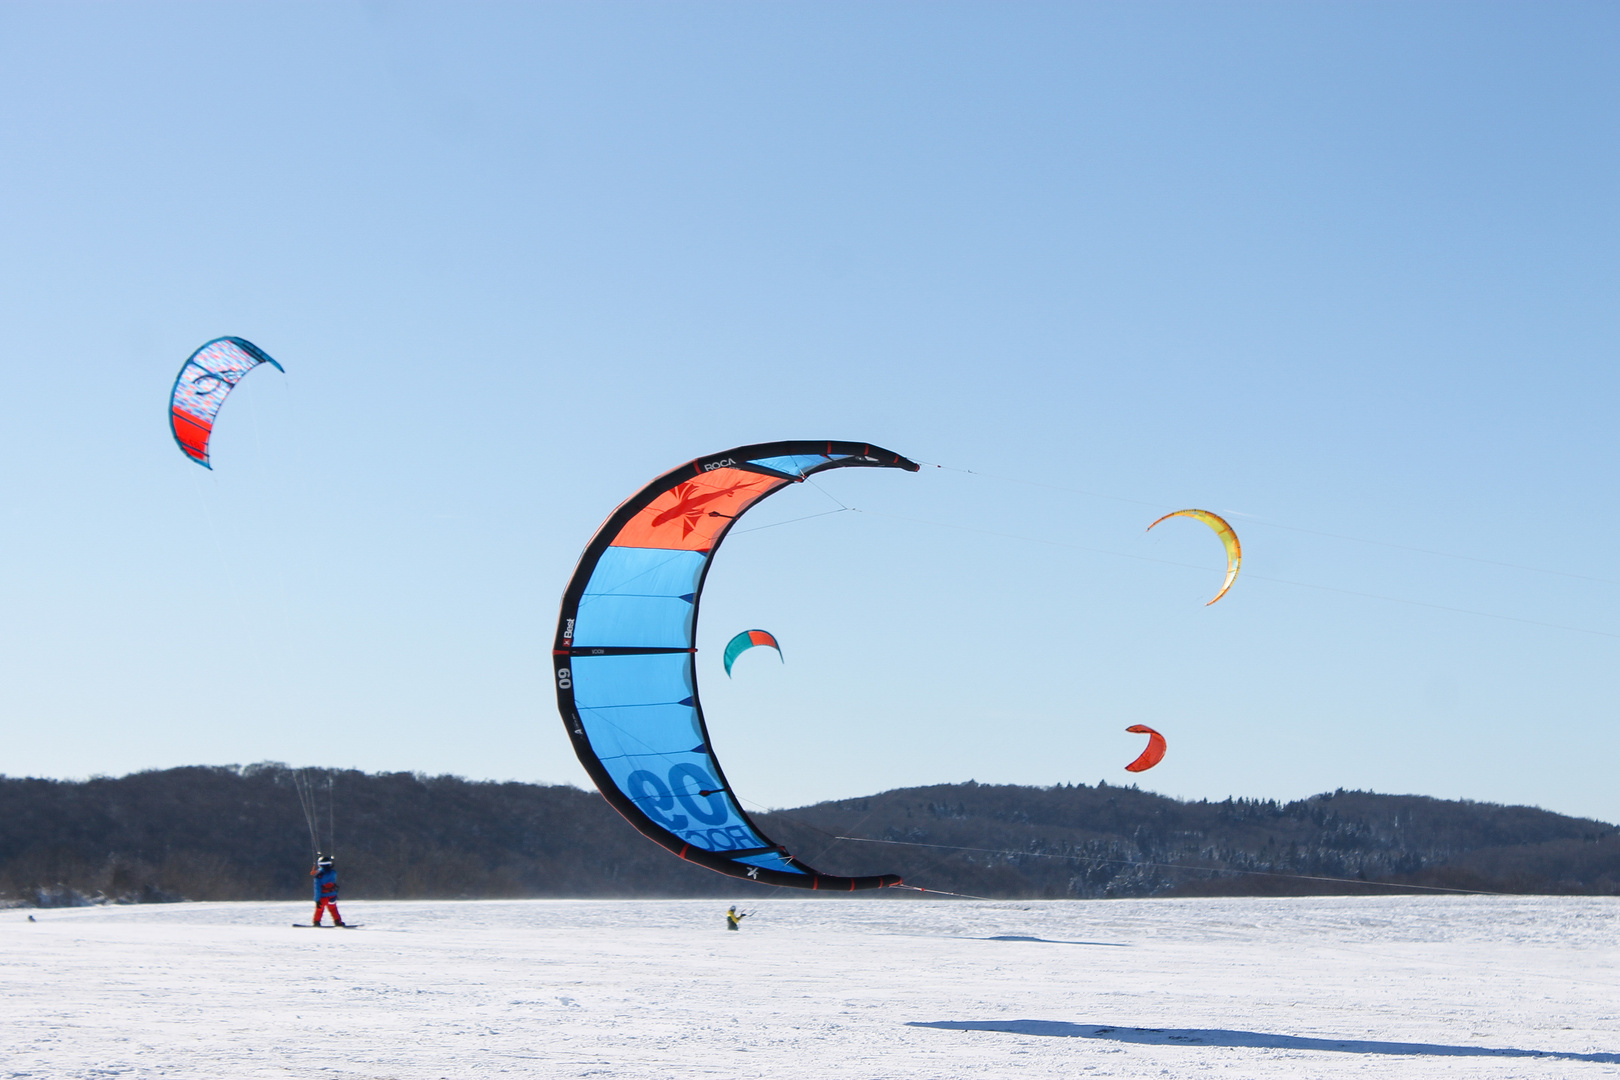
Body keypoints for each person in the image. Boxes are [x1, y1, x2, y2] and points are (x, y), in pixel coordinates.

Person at [311, 854, 344, 927]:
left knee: (319, 910)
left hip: (322, 897)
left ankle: (316, 922)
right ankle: (338, 922)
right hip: (332, 895)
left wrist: (317, 899)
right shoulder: (333, 873)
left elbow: (317, 888)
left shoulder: (318, 875)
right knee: (333, 909)